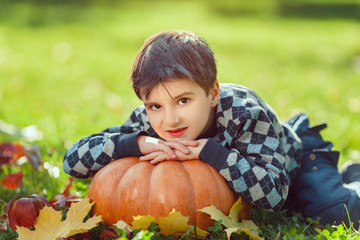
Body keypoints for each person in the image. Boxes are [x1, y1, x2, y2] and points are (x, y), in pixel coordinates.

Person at [63, 30, 360, 227]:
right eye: (155, 106)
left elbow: (273, 196)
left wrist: (210, 152)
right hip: (260, 174)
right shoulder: (149, 121)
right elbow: (72, 161)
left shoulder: (244, 114)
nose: (170, 120)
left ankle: (353, 176)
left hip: (296, 161)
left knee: (332, 212)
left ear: (213, 93)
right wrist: (137, 143)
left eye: (183, 100)